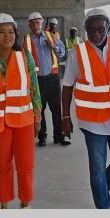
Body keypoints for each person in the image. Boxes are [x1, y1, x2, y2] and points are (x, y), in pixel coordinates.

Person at [61, 8, 110, 209]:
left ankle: (101, 189)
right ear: (85, 29)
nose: (96, 34)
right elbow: (67, 87)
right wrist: (65, 117)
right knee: (97, 170)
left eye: (100, 29)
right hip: (92, 121)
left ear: (108, 28)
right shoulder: (76, 53)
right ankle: (103, 208)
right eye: (91, 30)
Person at [0, 13, 42, 209]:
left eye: (11, 32)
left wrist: (38, 118)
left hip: (24, 121)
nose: (7, 36)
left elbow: (34, 90)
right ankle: (4, 205)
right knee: (3, 167)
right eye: (2, 32)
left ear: (16, 34)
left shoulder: (24, 57)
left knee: (26, 165)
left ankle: (25, 203)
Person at [24, 12, 69, 146]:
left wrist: (53, 46)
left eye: (38, 22)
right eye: (33, 23)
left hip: (53, 79)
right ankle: (42, 137)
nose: (36, 25)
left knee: (56, 109)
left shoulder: (51, 37)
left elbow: (62, 53)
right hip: (37, 82)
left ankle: (59, 137)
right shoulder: (26, 39)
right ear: (29, 25)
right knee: (40, 110)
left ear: (42, 23)